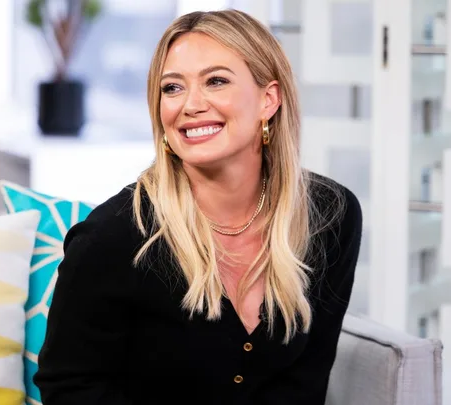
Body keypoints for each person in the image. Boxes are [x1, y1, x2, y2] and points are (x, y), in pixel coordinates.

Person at [34, 9, 362, 405]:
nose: (190, 104)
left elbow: (305, 383)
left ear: (268, 99)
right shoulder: (111, 238)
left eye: (216, 81)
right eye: (172, 88)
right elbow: (68, 391)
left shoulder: (330, 215)